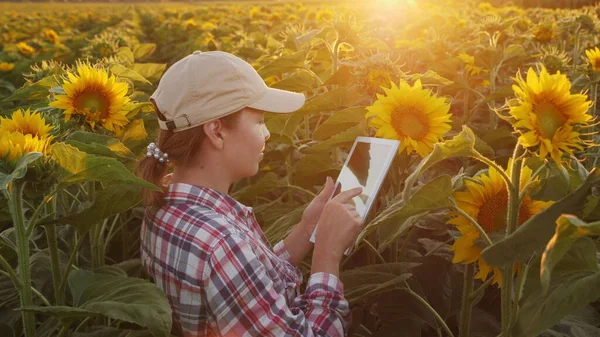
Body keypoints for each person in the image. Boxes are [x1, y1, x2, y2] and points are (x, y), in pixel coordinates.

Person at [136, 50, 365, 337]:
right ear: (216, 132)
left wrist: (308, 229)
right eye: (258, 121)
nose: (267, 133)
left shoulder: (164, 202)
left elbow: (247, 284)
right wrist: (327, 255)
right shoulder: (222, 244)